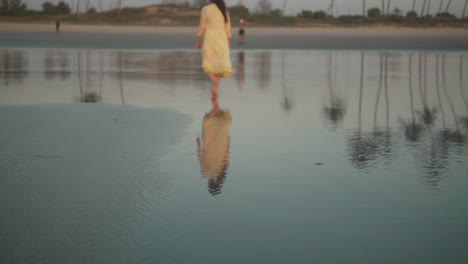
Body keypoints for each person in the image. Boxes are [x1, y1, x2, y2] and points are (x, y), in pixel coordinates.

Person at [196, 96, 232, 196]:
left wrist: (228, 139)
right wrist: (198, 143)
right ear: (210, 183)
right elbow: (200, 156)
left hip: (221, 138)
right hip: (210, 139)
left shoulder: (224, 170)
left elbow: (227, 154)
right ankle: (215, 99)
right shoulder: (205, 173)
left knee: (216, 117)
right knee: (209, 120)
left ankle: (215, 99)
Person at [196, 0, 232, 96]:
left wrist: (199, 38)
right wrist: (228, 41)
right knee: (220, 64)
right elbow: (228, 27)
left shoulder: (206, 9)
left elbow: (202, 25)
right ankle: (216, 87)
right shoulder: (224, 10)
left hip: (210, 38)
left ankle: (215, 84)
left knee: (208, 63)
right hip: (222, 38)